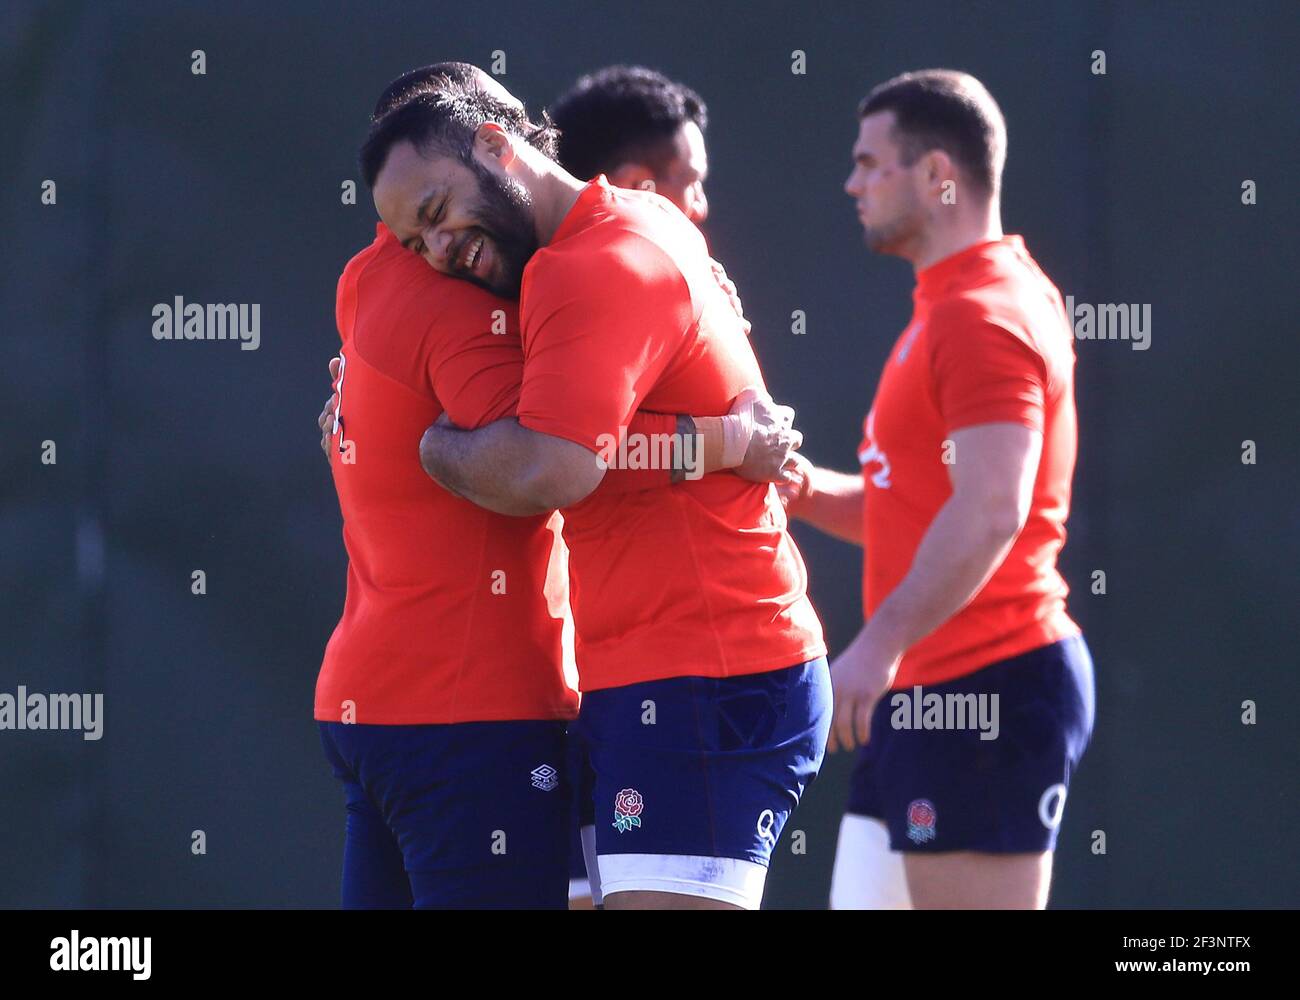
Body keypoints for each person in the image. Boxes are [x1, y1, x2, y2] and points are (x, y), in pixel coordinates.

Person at [315, 62, 795, 909]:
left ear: (496, 143)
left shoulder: (563, 266)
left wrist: (427, 444)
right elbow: (561, 456)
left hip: (681, 671)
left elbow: (556, 460)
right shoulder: (561, 257)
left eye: (434, 214)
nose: (435, 251)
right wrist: (719, 442)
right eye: (410, 236)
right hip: (570, 693)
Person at [780, 69, 1094, 909]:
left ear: (937, 174)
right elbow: (914, 513)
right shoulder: (949, 303)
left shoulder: (981, 312)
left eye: (870, 161)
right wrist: (801, 490)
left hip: (986, 688)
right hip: (923, 698)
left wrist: (875, 647)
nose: (851, 182)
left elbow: (993, 511)